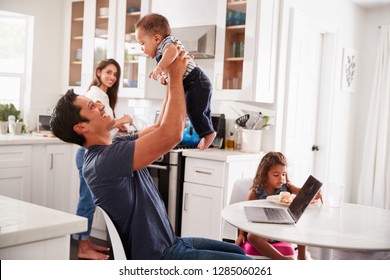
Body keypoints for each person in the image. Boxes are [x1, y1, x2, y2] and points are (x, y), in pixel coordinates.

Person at [50, 50, 252, 260]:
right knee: (246, 264)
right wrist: (175, 75)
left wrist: (170, 83)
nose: (100, 104)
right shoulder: (104, 161)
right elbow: (172, 134)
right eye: (92, 106)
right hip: (160, 257)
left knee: (238, 252)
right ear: (81, 127)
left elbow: (158, 127)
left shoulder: (112, 146)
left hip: (170, 242)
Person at [72, 58, 132, 260]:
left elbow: (104, 124)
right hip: (88, 153)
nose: (112, 77)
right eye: (108, 72)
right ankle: (82, 247)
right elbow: (98, 125)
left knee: (91, 202)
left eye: (115, 74)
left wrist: (118, 126)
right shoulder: (94, 95)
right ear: (98, 72)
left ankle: (86, 243)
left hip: (97, 154)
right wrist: (122, 120)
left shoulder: (104, 96)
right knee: (87, 201)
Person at [135, 13, 216, 150]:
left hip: (196, 80)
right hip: (195, 82)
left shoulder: (167, 43)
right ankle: (208, 132)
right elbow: (172, 69)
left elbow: (172, 52)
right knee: (201, 111)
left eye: (142, 43)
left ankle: (208, 134)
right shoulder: (160, 51)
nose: (141, 48)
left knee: (194, 110)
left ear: (156, 38)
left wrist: (159, 68)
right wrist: (164, 77)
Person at [235, 151, 322, 260]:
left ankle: (301, 256)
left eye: (284, 174)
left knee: (300, 223)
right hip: (263, 230)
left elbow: (302, 192)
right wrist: (241, 235)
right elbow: (243, 215)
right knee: (252, 237)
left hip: (281, 227)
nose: (281, 178)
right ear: (264, 174)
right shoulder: (255, 192)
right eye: (276, 175)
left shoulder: (287, 187)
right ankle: (282, 259)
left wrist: (314, 192)